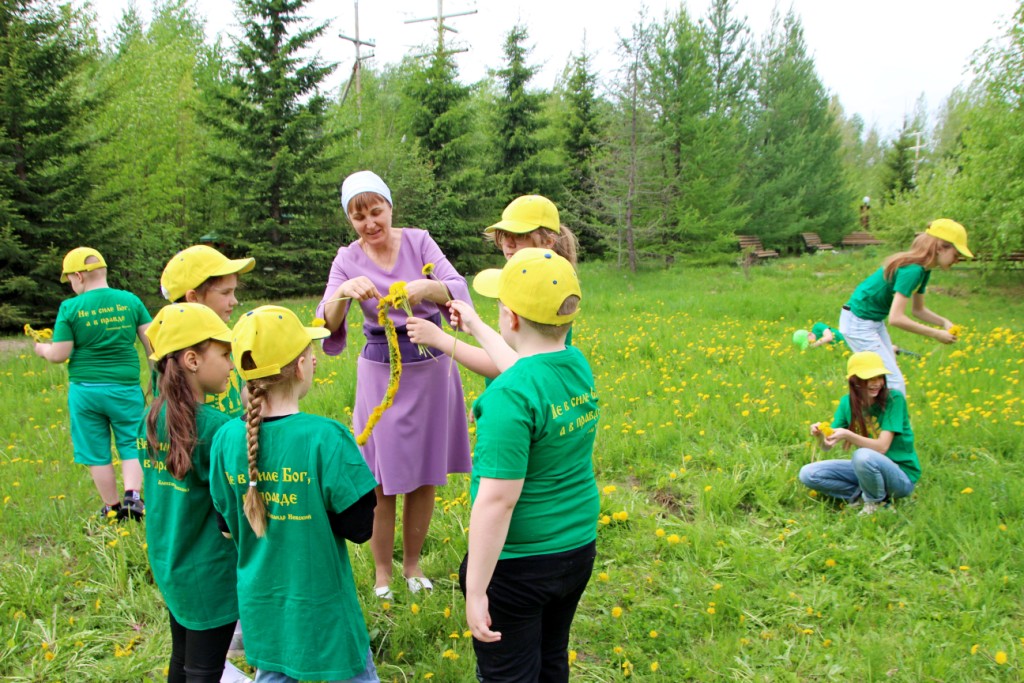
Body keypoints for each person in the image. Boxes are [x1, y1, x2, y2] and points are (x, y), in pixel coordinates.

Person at [316, 170, 472, 599]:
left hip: (431, 365)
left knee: (425, 473)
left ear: (390, 206)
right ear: (350, 220)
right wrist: (344, 292)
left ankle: (413, 565)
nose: (370, 223)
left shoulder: (420, 241)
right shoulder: (347, 258)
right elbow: (326, 320)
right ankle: (382, 573)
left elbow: (458, 288)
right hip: (379, 372)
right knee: (381, 479)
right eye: (358, 216)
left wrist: (431, 288)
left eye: (376, 211)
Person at [209, 306, 380, 683]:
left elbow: (226, 528)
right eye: (310, 352)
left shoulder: (224, 439)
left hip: (264, 609)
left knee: (274, 672)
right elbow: (360, 528)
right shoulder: (325, 437)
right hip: (325, 613)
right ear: (302, 367)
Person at [454, 248, 600, 683]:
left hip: (519, 566)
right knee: (551, 659)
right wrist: (473, 328)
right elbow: (524, 369)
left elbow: (497, 501)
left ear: (511, 317)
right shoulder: (574, 365)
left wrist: (476, 589)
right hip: (576, 549)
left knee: (510, 676)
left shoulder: (508, 397)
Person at [139, 303, 238, 683]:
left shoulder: (147, 420)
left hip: (171, 563)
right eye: (225, 353)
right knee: (204, 671)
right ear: (192, 359)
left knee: (182, 659)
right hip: (210, 575)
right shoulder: (215, 429)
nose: (232, 365)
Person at [33, 247, 152, 519]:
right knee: (131, 441)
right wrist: (155, 378)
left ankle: (111, 508)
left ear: (79, 276)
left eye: (71, 281)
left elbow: (60, 353)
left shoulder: (71, 308)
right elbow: (152, 345)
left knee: (95, 450)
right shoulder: (130, 302)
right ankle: (133, 497)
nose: (72, 286)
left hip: (85, 392)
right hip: (125, 389)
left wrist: (42, 349)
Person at [407, 194, 579, 380]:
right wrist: (474, 327)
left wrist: (440, 339)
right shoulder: (549, 281)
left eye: (520, 235)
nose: (508, 243)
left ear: (548, 241)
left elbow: (511, 367)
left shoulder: (537, 290)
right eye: (505, 235)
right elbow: (510, 353)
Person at [838, 219, 972, 396]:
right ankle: (875, 420)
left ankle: (876, 419)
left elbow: (918, 310)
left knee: (886, 380)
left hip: (871, 321)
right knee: (892, 383)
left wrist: (943, 322)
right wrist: (936, 334)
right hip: (859, 322)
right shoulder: (913, 270)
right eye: (956, 254)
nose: (957, 260)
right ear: (940, 248)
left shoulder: (924, 270)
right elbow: (896, 318)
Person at [801, 351, 919, 516]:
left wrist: (848, 435)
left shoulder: (894, 399)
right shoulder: (846, 403)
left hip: (900, 476)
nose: (876, 383)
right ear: (854, 381)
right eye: (869, 378)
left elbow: (882, 447)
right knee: (808, 474)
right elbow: (827, 446)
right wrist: (820, 435)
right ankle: (869, 497)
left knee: (863, 455)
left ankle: (875, 502)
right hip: (868, 470)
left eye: (879, 377)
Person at [160, 244, 255, 417]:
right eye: (226, 293)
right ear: (193, 298)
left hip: (229, 440)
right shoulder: (175, 348)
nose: (234, 301)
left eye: (233, 292)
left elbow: (238, 395)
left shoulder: (224, 339)